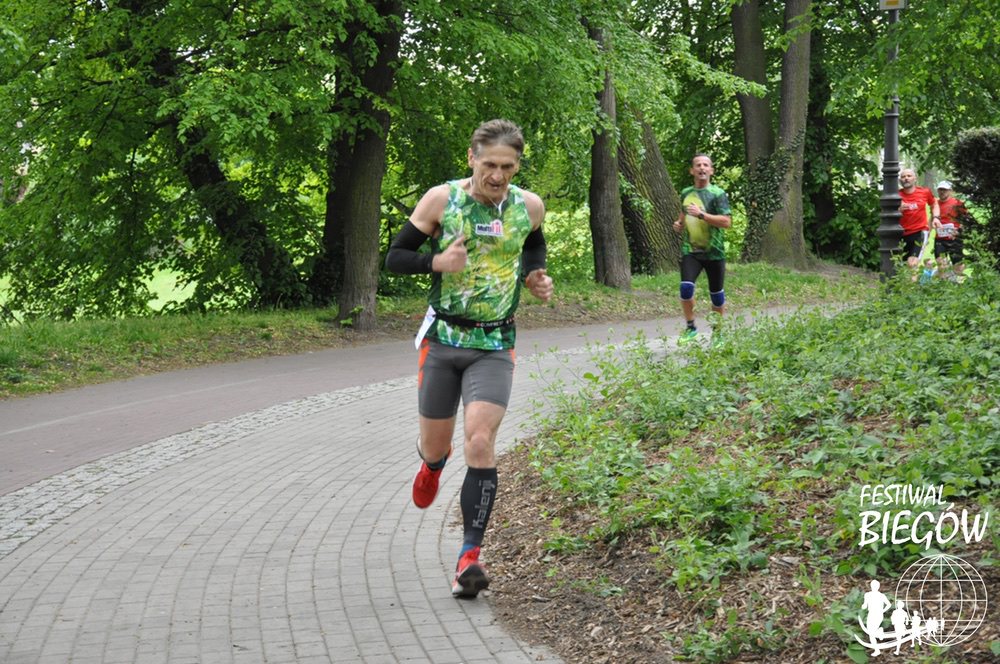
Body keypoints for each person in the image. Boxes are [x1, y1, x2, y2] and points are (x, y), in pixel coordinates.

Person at [385, 119, 553, 598]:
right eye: (490, 165)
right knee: (436, 447)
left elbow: (533, 242)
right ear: (471, 158)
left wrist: (536, 275)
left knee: (480, 442)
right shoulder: (442, 200)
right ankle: (432, 466)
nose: (497, 175)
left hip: (495, 344)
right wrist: (435, 262)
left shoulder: (528, 206)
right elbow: (395, 257)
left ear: (517, 165)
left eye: (508, 166)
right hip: (442, 341)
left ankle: (469, 558)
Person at [671, 153, 732, 344]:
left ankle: (718, 334)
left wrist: (701, 215)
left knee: (716, 295)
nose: (702, 168)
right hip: (691, 251)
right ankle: (690, 329)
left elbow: (726, 222)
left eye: (706, 165)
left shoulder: (718, 194)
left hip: (715, 252)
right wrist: (679, 224)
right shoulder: (686, 192)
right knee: (686, 288)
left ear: (711, 170)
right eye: (698, 165)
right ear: (692, 170)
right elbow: (684, 212)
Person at [898, 169, 940, 268]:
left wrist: (936, 217)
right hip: (902, 233)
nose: (906, 178)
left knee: (912, 263)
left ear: (915, 178)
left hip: (919, 232)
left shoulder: (924, 192)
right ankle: (911, 278)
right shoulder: (896, 195)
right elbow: (887, 212)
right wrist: (898, 210)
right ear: (900, 180)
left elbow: (934, 204)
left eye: (909, 176)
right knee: (903, 265)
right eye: (903, 177)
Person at [933, 180, 970, 278]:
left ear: (950, 191)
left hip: (954, 238)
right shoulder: (935, 204)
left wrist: (958, 231)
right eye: (940, 189)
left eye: (944, 190)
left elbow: (967, 219)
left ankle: (955, 279)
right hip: (940, 239)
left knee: (958, 268)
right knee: (941, 264)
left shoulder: (957, 203)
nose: (942, 192)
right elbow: (932, 219)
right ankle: (944, 283)